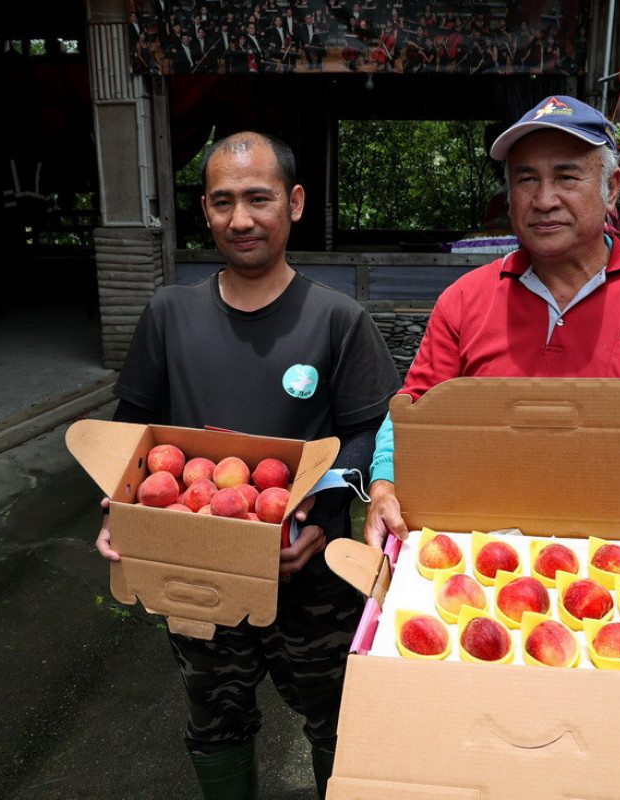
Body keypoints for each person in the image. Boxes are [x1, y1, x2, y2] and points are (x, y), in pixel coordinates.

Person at [96, 131, 401, 799]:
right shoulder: (169, 315)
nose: (240, 219)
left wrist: (321, 513)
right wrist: (120, 505)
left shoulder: (338, 321)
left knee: (339, 720)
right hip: (197, 570)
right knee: (217, 720)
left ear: (293, 203)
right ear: (204, 210)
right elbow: (133, 427)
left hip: (310, 576)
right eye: (222, 202)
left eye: (258, 199)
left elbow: (370, 432)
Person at [363, 95, 620, 602]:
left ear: (612, 187)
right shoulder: (464, 302)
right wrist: (383, 490)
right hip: (481, 573)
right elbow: (413, 414)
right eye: (526, 179)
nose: (544, 198)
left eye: (567, 177)